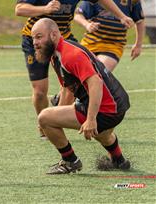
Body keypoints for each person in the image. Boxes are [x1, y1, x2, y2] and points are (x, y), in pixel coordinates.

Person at [15, 0, 134, 138]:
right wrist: (45, 9)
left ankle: (56, 121)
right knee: (39, 92)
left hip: (63, 39)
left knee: (70, 85)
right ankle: (44, 122)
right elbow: (19, 8)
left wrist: (121, 15)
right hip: (35, 40)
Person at [32, 18, 131, 174]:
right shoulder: (57, 53)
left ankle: (70, 161)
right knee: (102, 134)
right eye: (33, 38)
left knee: (44, 117)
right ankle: (119, 160)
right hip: (118, 103)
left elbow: (96, 83)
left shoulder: (69, 55)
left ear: (53, 35)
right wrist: (58, 113)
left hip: (107, 108)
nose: (34, 42)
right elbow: (67, 89)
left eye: (39, 37)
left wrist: (90, 119)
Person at [74, 0, 145, 72]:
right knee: (74, 78)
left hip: (113, 46)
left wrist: (138, 45)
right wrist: (87, 24)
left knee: (98, 72)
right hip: (89, 43)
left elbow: (140, 21)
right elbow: (78, 15)